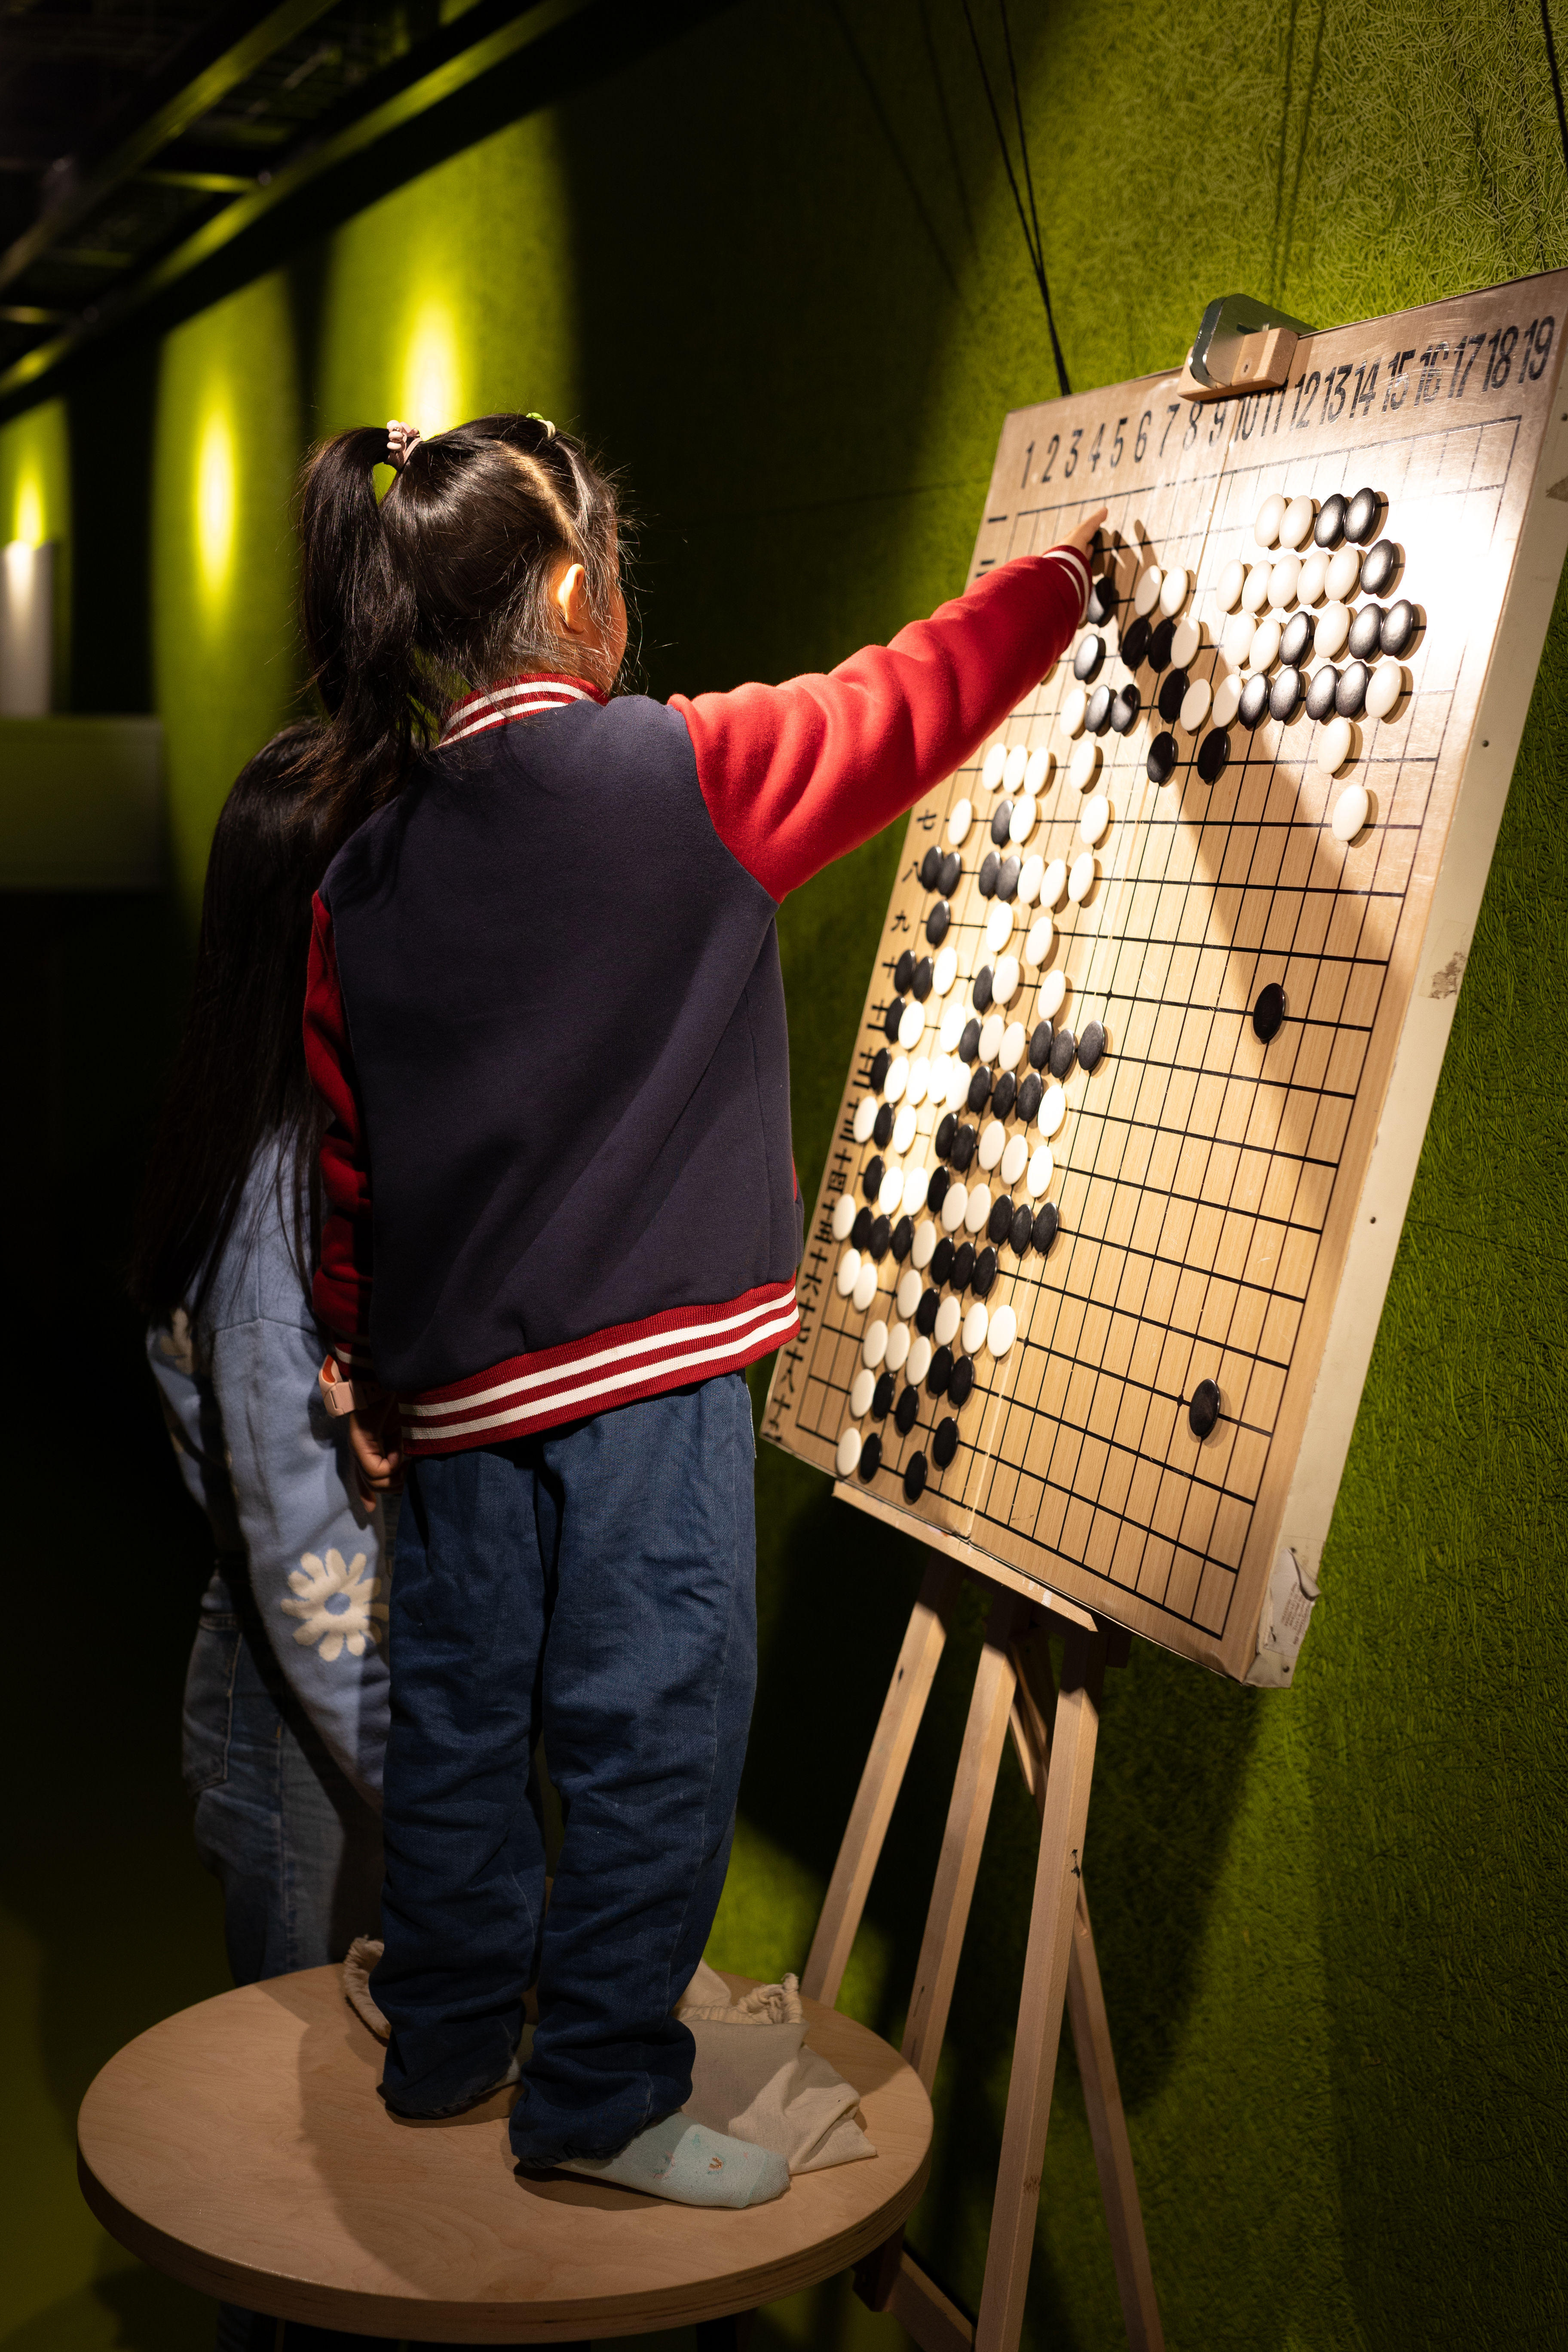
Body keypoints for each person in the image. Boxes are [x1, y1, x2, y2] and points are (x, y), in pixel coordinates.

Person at [299, 407, 1104, 2208]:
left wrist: (357, 1354)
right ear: (581, 589)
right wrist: (1061, 579)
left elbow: (348, 1161)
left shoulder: (358, 877)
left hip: (447, 1412)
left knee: (457, 1724)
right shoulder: (691, 774)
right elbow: (912, 697)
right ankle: (593, 2100)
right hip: (651, 1390)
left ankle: (442, 2040)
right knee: (650, 1724)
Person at [133, 731, 397, 2352]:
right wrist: (443, 1790)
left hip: (345, 1715)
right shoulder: (276, 1189)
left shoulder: (301, 1132)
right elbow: (310, 1572)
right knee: (303, 2192)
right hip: (312, 1739)